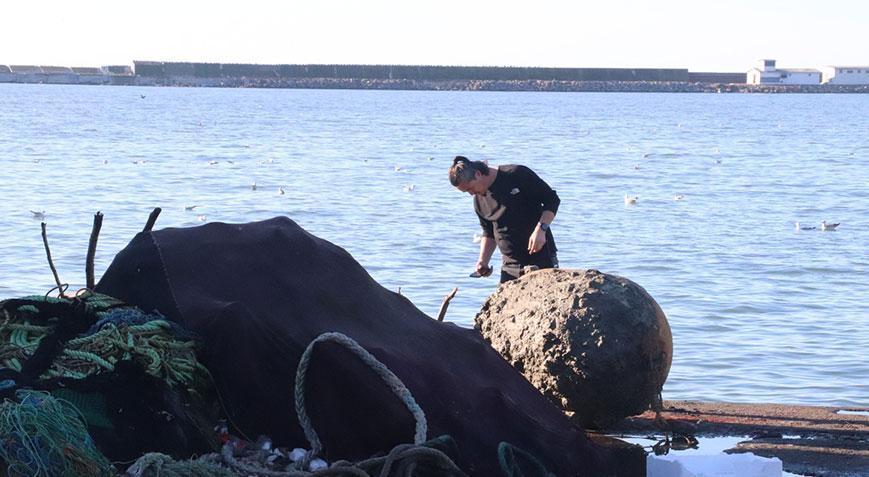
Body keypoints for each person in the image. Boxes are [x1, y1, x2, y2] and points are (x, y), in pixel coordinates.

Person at [449, 156, 560, 283]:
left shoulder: (516, 174)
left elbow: (552, 200)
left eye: (470, 188)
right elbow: (489, 231)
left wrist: (541, 229)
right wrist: (483, 261)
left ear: (478, 174)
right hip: (509, 266)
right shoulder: (478, 200)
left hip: (541, 257)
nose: (471, 194)